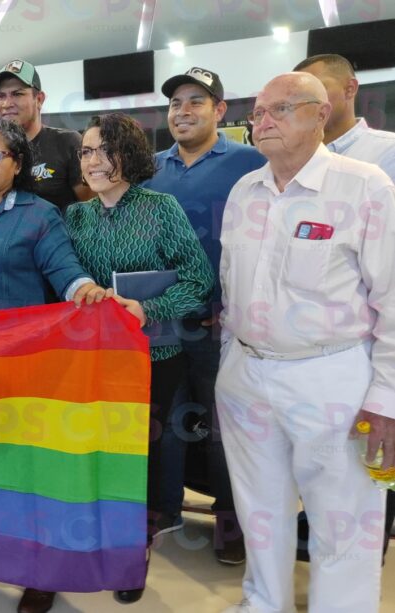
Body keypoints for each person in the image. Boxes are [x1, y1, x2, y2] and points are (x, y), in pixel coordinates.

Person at [217, 72, 395, 613]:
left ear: (321, 115)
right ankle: (263, 602)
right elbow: (231, 284)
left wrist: (386, 400)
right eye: (257, 111)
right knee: (260, 509)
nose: (262, 120)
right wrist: (231, 360)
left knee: (342, 518)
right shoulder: (244, 190)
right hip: (247, 373)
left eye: (280, 109)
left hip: (332, 375)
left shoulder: (365, 186)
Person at [0, 116, 108, 613]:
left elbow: (65, 271)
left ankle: (42, 570)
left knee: (31, 471)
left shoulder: (39, 213)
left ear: (18, 163)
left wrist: (86, 291)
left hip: (22, 365)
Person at [65, 113, 213, 604]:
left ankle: (135, 553)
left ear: (128, 155)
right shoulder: (76, 215)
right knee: (103, 452)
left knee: (145, 456)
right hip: (97, 359)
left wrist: (147, 309)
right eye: (86, 151)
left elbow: (197, 279)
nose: (92, 160)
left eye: (103, 149)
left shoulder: (160, 207)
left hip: (157, 353)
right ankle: (103, 539)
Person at [142, 66, 265, 565]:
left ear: (219, 111)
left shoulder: (249, 162)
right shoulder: (150, 168)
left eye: (196, 101)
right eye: (175, 103)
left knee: (223, 428)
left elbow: (262, 242)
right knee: (168, 422)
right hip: (163, 321)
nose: (183, 111)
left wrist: (233, 304)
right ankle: (165, 509)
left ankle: (231, 521)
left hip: (222, 325)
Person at [294, 52, 395, 561]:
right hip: (314, 341)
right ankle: (314, 534)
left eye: (320, 89)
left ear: (350, 88)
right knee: (324, 456)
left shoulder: (385, 154)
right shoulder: (291, 159)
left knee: (371, 453)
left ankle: (366, 547)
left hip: (373, 328)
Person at [0, 59, 93, 212]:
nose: (6, 104)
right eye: (1, 96)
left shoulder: (67, 142)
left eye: (17, 94)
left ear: (39, 99)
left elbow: (92, 208)